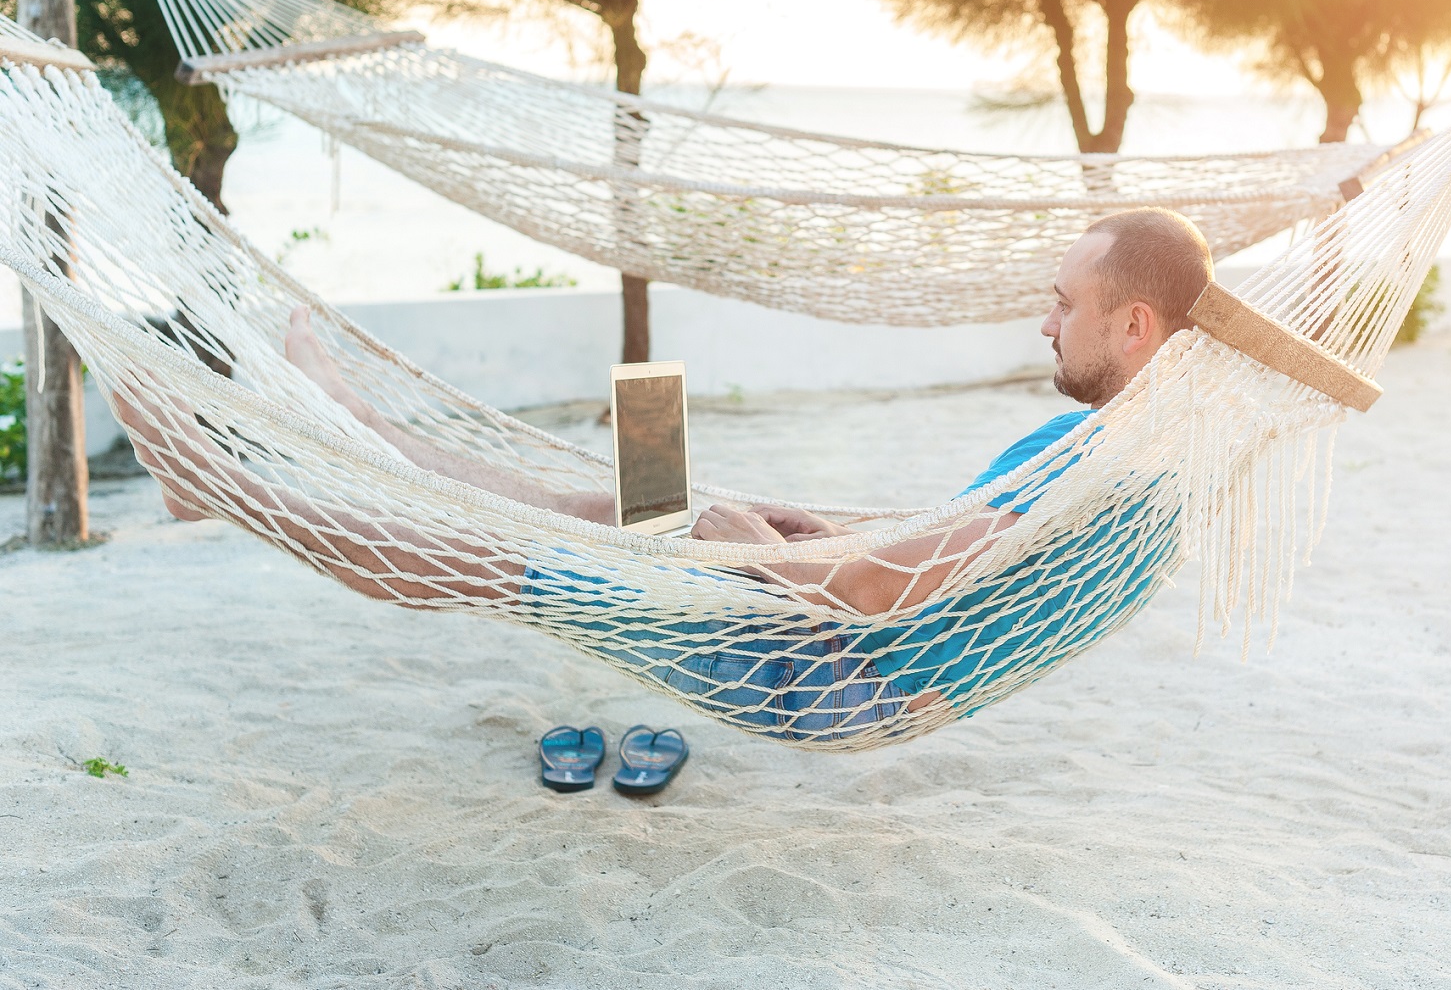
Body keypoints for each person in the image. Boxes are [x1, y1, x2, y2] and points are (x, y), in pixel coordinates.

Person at [119, 207, 1213, 733]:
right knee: (638, 488)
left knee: (496, 553)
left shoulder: (1099, 467)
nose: (1044, 322)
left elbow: (887, 593)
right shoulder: (1128, 458)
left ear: (1132, 325)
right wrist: (799, 529)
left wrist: (762, 550)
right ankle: (359, 422)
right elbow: (953, 542)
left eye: (1064, 307)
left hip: (833, 677)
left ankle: (219, 486)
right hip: (845, 633)